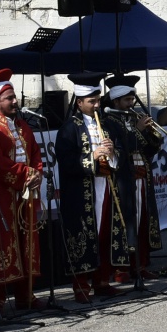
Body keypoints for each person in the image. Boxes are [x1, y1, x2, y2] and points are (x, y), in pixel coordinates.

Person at [0, 69, 44, 312]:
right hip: (1, 197)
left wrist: (37, 173)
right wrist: (27, 175)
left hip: (25, 196)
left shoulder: (23, 126)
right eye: (9, 98)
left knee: (25, 243)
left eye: (14, 97)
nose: (15, 101)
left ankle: (26, 295)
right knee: (0, 245)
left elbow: (35, 153)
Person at [55, 72, 129, 302]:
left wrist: (113, 153)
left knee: (104, 231)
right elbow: (66, 161)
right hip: (81, 190)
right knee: (83, 234)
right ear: (79, 102)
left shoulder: (108, 124)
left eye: (98, 100)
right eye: (92, 101)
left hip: (105, 186)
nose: (97, 105)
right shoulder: (69, 128)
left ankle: (102, 281)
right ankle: (81, 285)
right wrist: (93, 156)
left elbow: (122, 153)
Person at [102, 74, 163, 281]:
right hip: (123, 178)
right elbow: (120, 147)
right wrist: (138, 131)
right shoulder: (108, 121)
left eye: (132, 100)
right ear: (115, 101)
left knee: (143, 220)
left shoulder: (134, 118)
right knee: (125, 221)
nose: (130, 104)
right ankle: (122, 268)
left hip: (142, 177)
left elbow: (150, 149)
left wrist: (152, 135)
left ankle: (141, 264)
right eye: (127, 100)